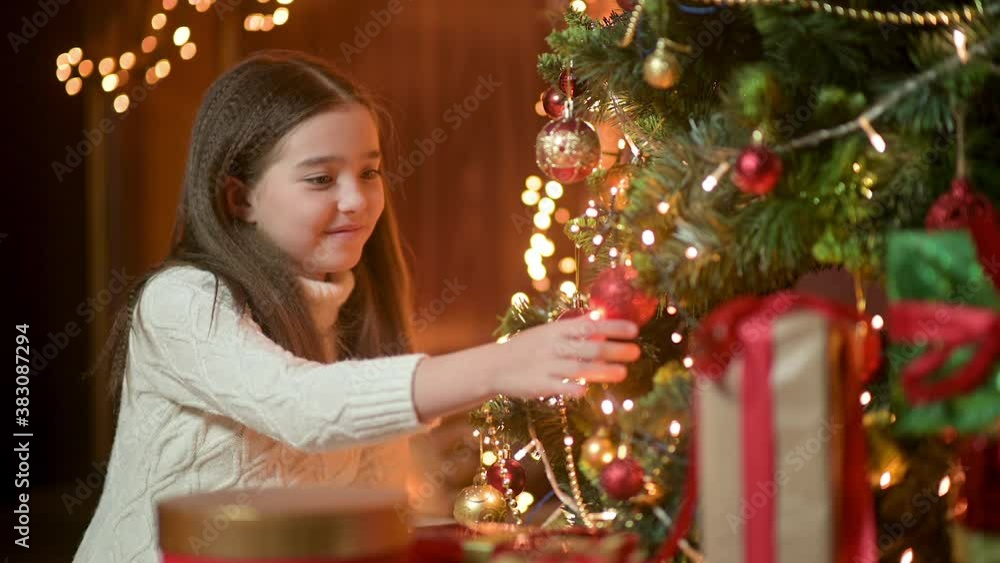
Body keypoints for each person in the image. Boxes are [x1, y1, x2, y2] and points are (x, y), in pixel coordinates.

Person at [73, 50, 641, 562]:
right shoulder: (181, 301)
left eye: (369, 172)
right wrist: (501, 364)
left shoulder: (353, 309)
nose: (356, 200)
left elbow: (379, 508)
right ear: (239, 197)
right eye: (321, 178)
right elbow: (304, 407)